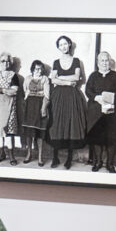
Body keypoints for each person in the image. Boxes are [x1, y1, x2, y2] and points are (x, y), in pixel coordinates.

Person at [45, 36, 91, 171]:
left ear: (69, 45)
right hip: (58, 96)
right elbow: (53, 80)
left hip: (72, 96)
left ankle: (69, 158)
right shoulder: (56, 62)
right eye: (61, 45)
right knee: (56, 125)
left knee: (71, 124)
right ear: (58, 47)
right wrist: (67, 82)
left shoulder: (76, 61)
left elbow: (77, 77)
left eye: (65, 44)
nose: (63, 47)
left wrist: (60, 77)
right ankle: (55, 157)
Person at [84, 50, 116, 174]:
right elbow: (88, 91)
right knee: (97, 137)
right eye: (102, 61)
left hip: (112, 111)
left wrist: (109, 98)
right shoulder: (93, 76)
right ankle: (98, 162)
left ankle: (110, 164)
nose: (105, 63)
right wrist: (97, 98)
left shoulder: (115, 76)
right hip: (96, 111)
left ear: (109, 62)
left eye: (106, 60)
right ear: (98, 63)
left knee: (112, 138)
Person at [0, 55, 23, 165]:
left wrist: (1, 90)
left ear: (10, 63)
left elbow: (14, 91)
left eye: (7, 61)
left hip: (9, 106)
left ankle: (11, 155)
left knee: (9, 130)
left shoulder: (13, 75)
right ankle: (1, 153)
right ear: (0, 62)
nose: (5, 63)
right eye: (3, 61)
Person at [20, 60, 51, 167]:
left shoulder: (45, 79)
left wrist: (43, 108)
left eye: (41, 69)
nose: (39, 71)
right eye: (37, 69)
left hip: (40, 105)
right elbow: (25, 91)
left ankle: (40, 157)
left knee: (39, 133)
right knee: (29, 132)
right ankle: (29, 154)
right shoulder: (28, 78)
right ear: (33, 69)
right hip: (29, 106)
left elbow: (47, 95)